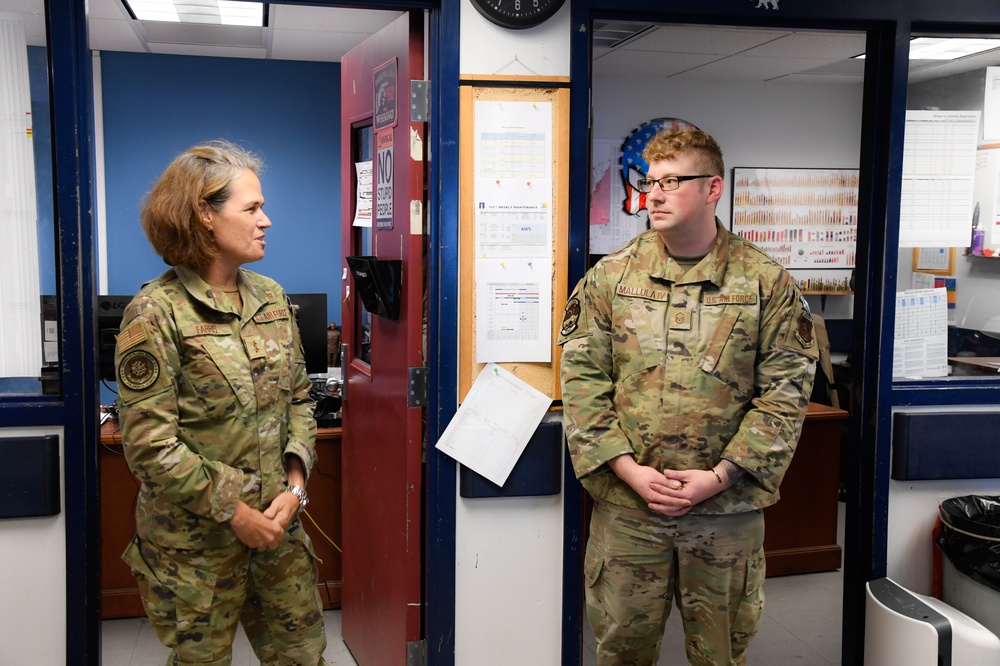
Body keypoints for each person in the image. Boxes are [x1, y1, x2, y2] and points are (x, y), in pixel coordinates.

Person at [558, 127, 818, 666]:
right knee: (619, 652)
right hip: (631, 510)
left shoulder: (765, 283)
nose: (653, 195)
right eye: (650, 182)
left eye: (672, 181)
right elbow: (581, 384)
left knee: (720, 654)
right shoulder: (610, 278)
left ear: (712, 188)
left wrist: (720, 477)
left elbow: (785, 397)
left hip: (725, 513)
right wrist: (629, 471)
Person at [115, 140, 328, 666]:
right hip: (195, 555)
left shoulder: (273, 299)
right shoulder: (155, 312)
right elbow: (149, 446)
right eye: (251, 208)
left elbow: (301, 398)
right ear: (204, 216)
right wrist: (236, 511)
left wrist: (295, 487)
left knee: (305, 659)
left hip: (279, 533)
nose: (267, 221)